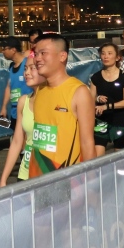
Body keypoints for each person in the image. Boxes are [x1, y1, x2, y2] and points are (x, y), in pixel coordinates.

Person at [28, 34, 96, 177]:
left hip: (68, 178)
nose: (37, 58)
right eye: (36, 54)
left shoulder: (79, 92)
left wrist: (91, 181)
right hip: (37, 177)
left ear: (62, 56)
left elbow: (87, 142)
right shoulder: (40, 90)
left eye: (43, 53)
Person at [0, 51, 46, 186]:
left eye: (32, 68)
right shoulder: (23, 102)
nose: (26, 73)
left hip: (50, 173)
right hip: (26, 173)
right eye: (25, 69)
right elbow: (17, 142)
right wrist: (3, 179)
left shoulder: (58, 101)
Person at [90, 43, 124, 156]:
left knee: (120, 159)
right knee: (97, 159)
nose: (106, 56)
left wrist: (106, 107)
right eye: (103, 53)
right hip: (101, 122)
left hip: (120, 121)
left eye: (110, 53)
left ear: (117, 57)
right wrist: (97, 98)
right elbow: (90, 100)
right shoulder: (96, 77)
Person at [0, 36, 31, 131]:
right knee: (15, 134)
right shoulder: (11, 67)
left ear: (13, 50)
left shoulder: (28, 64)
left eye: (4, 48)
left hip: (27, 110)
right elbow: (9, 87)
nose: (2, 51)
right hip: (15, 111)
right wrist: (4, 107)